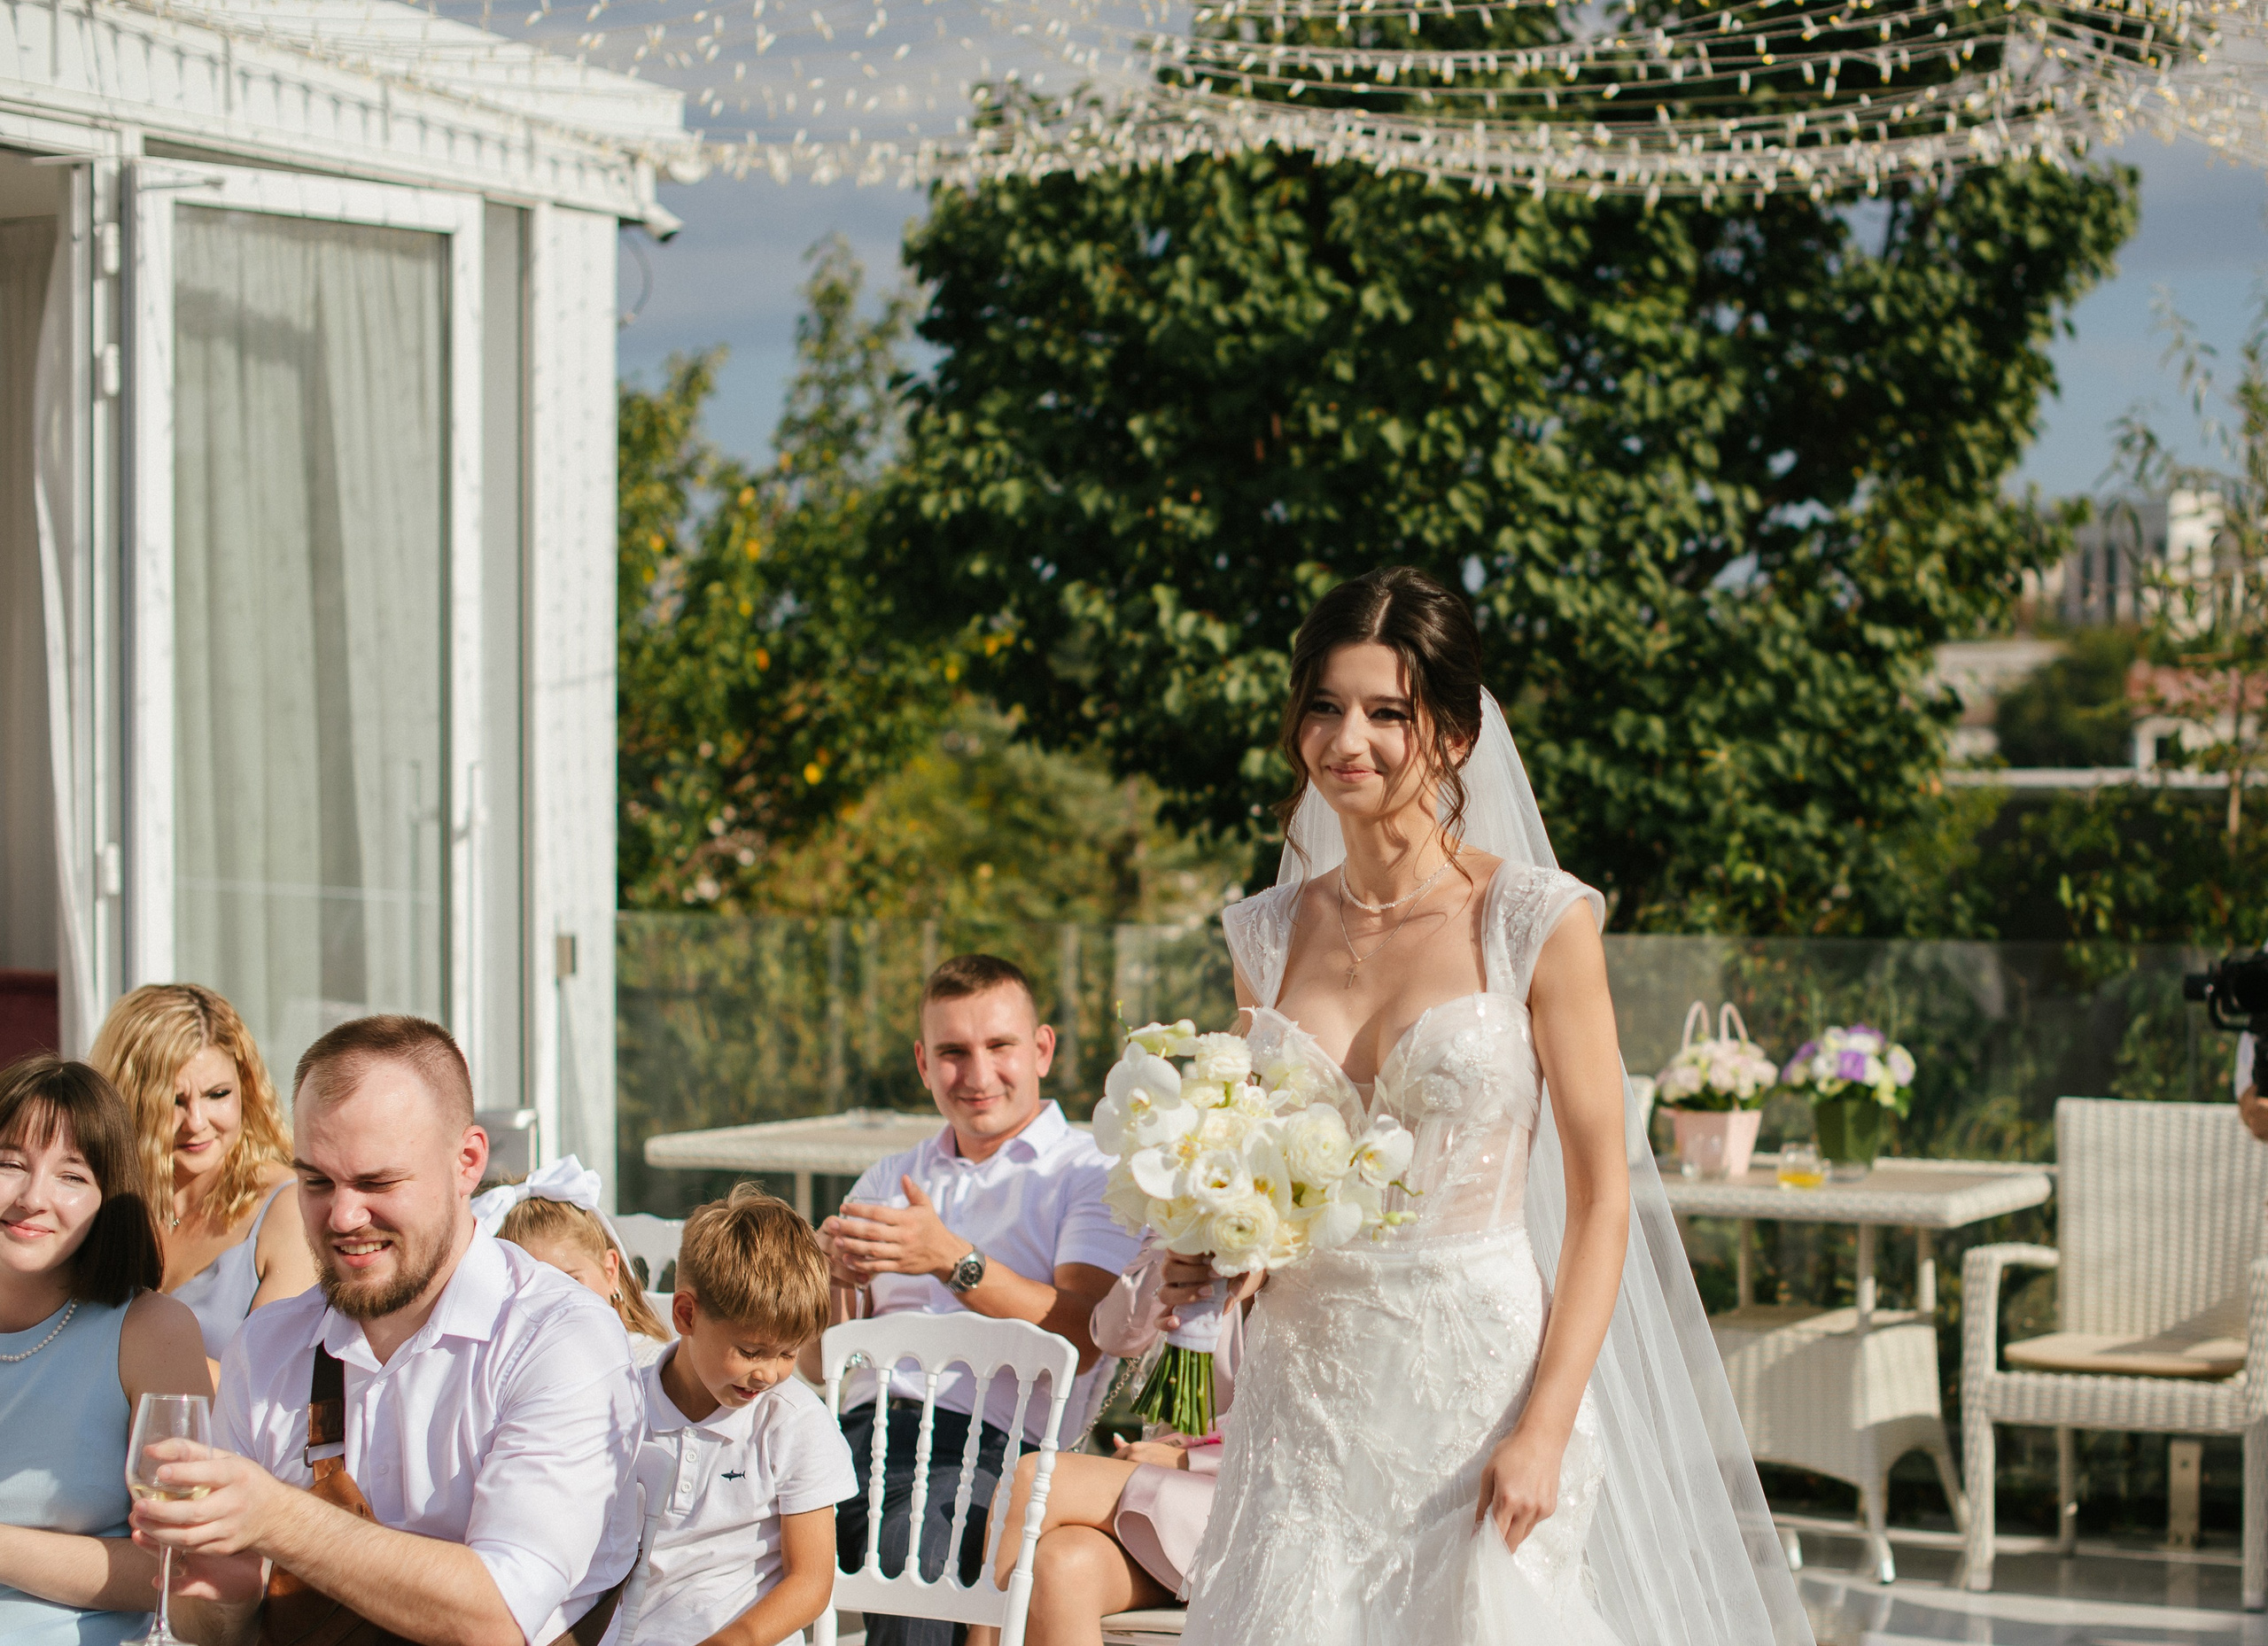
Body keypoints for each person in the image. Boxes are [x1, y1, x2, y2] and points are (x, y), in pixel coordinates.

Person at [1177, 567, 1812, 1645]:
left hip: (1473, 1388)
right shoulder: (1265, 934)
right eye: (1325, 706)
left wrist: (1547, 1426)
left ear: (1458, 734)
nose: (1349, 740)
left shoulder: (1534, 919)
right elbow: (1266, 1173)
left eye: (1389, 713)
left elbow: (1606, 1195)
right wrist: (1217, 1244)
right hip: (1306, 1398)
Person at [128, 1015, 645, 1646]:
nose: (344, 1216)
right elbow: (215, 1629)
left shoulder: (561, 1339)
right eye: (316, 1181)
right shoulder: (267, 1348)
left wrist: (273, 1517)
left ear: (467, 1162)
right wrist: (207, 1578)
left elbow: (498, 1616)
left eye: (377, 1182)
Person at [811, 954, 1143, 1646]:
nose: (978, 1074)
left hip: (988, 1453)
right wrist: (830, 1283)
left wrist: (950, 1261)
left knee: (914, 1545)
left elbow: (1085, 1333)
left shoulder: (1088, 1174)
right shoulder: (892, 1175)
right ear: (923, 1064)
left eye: (999, 1047)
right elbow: (817, 1361)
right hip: (846, 1441)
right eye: (953, 1053)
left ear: (1043, 1049)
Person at [0, 1056, 219, 1646]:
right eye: (9, 1165)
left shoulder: (150, 1330)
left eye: (71, 1175)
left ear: (108, 1196)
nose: (32, 1198)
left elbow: (178, 1566)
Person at [967, 1241, 1239, 1646]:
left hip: (1249, 1493)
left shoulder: (1316, 1246)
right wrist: (1175, 1242)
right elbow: (1113, 1335)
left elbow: (1327, 1424)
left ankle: (981, 1640)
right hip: (1181, 1511)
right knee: (1063, 1562)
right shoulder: (1190, 1222)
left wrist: (1187, 1456)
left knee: (1036, 1479)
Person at [628, 1185, 854, 1646]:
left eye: (788, 1353)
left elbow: (810, 1581)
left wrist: (737, 1640)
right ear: (687, 1314)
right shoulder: (620, 1398)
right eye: (751, 1351)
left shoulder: (795, 1423)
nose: (768, 1374)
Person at [90, 984, 316, 1370]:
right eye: (173, 1101)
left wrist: (127, 1358)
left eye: (217, 1094)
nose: (196, 1122)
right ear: (127, 1099)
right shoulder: (93, 1199)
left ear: (246, 1089)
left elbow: (267, 1389)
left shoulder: (288, 1209)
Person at [475, 1158, 674, 1367]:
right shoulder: (500, 1377)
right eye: (528, 1293)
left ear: (610, 1272)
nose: (554, 1307)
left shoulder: (652, 1370)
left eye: (570, 1282)